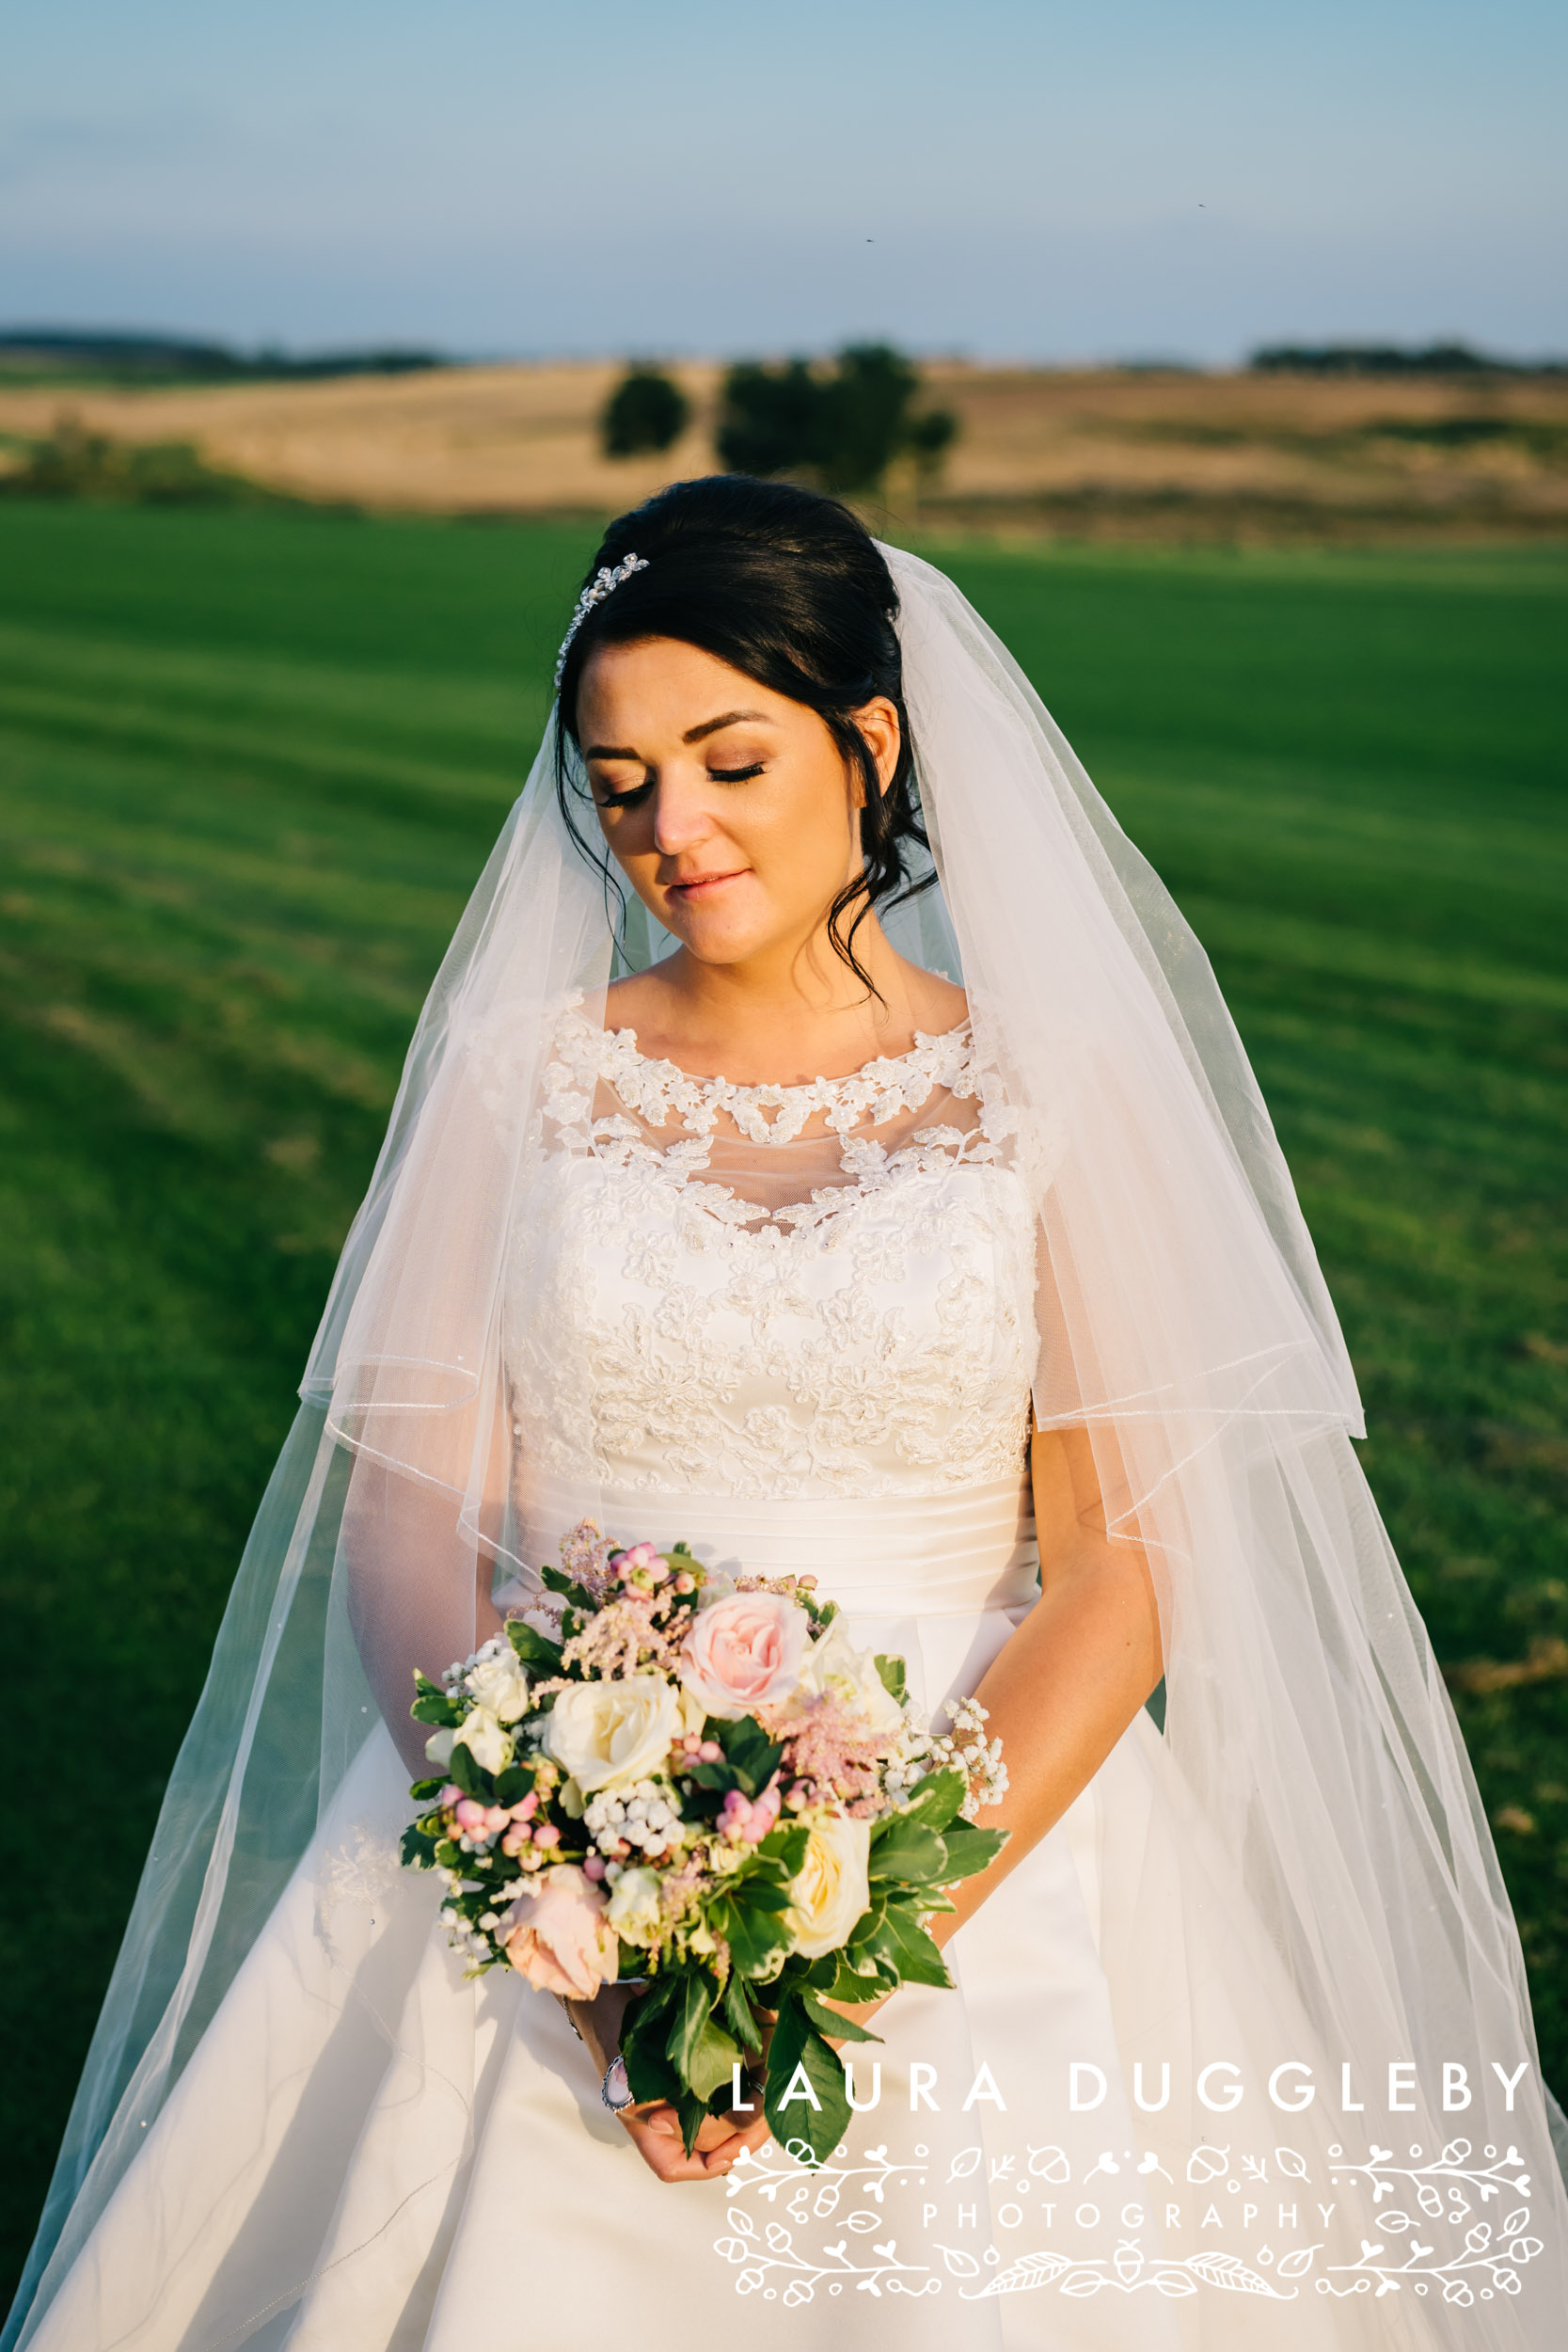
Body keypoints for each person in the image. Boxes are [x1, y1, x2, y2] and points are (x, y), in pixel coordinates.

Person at [8, 477, 1563, 2350]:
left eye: (730, 758)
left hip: (967, 1832)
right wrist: (545, 1883)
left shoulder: (1041, 1084)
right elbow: (410, 1527)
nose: (673, 825)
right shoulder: (526, 1078)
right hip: (546, 1806)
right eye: (622, 776)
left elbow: (1118, 1578)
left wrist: (845, 1940)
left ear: (870, 739)